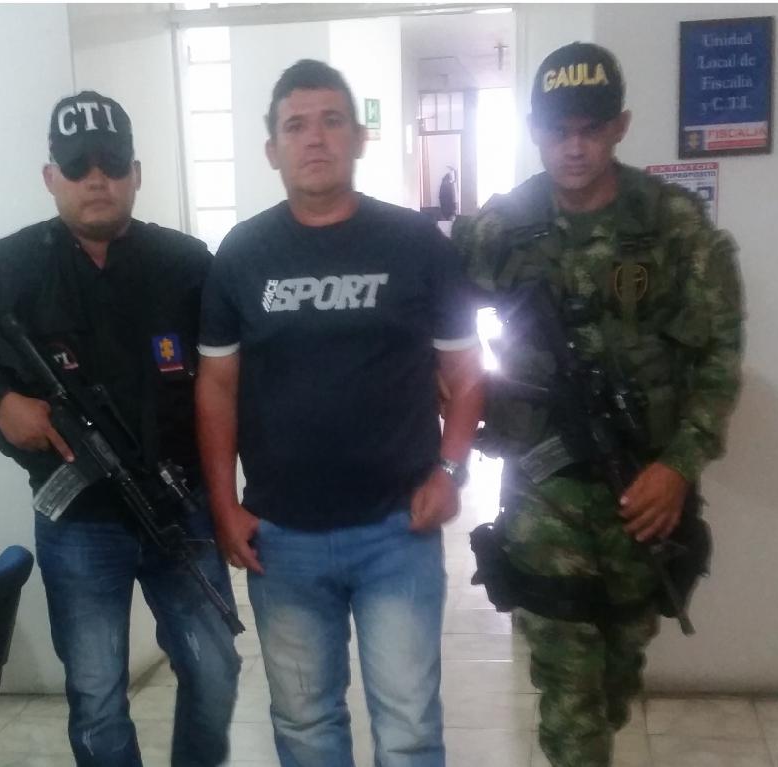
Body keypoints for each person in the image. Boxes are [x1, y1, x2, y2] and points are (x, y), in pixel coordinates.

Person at [0, 91, 240, 767]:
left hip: (180, 504)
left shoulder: (186, 264)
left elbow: (232, 377)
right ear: (50, 176)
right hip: (80, 520)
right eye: (77, 164)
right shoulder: (6, 269)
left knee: (215, 669)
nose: (97, 178)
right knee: (96, 696)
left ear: (136, 173)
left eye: (112, 163)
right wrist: (0, 400)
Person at [458, 43, 744, 767]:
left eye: (591, 129)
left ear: (620, 126)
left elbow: (719, 353)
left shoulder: (670, 223)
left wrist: (678, 467)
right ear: (534, 129)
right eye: (559, 131)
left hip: (642, 486)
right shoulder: (503, 225)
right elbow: (432, 315)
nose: (575, 147)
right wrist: (458, 399)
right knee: (570, 693)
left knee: (617, 675)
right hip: (543, 486)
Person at [195, 59, 484, 767]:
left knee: (409, 727)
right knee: (305, 726)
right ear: (273, 149)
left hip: (397, 529)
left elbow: (466, 370)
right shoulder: (242, 255)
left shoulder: (415, 244)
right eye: (296, 125)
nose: (315, 138)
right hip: (282, 536)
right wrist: (223, 504)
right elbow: (216, 387)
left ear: (359, 137)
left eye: (331, 121)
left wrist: (451, 469)